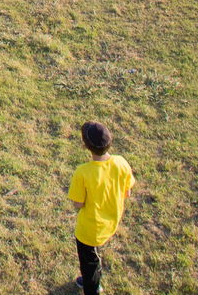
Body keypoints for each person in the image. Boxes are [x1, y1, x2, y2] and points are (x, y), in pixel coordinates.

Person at [67, 121, 134, 295]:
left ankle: (92, 287)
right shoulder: (121, 162)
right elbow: (127, 192)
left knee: (89, 262)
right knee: (93, 257)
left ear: (85, 146)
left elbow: (78, 204)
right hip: (111, 221)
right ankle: (92, 278)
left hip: (90, 230)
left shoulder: (83, 172)